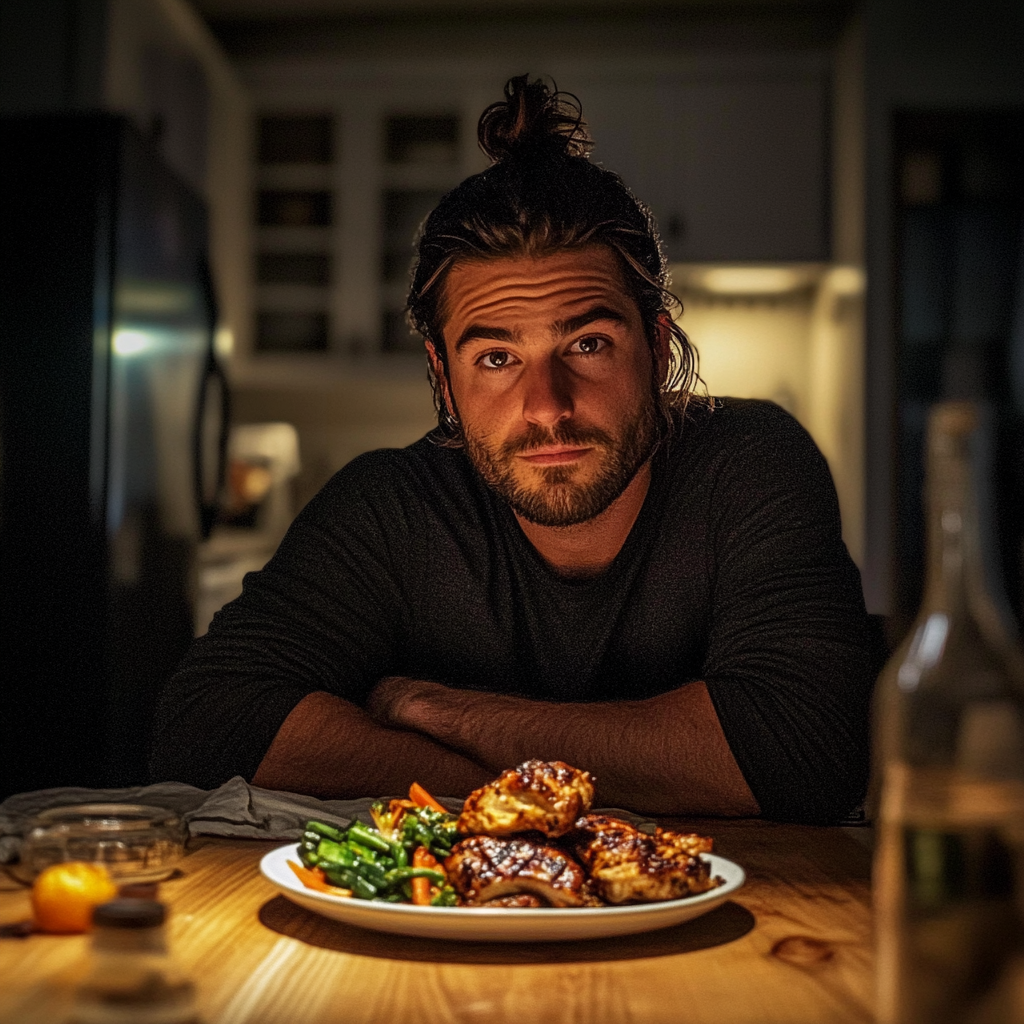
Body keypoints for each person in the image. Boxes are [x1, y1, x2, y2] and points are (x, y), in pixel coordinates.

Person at [150, 76, 873, 823]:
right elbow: (208, 726)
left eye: (588, 344)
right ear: (443, 375)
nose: (547, 408)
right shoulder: (391, 510)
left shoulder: (749, 467)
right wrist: (537, 788)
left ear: (656, 350)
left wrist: (442, 710)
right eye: (497, 358)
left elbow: (803, 754)